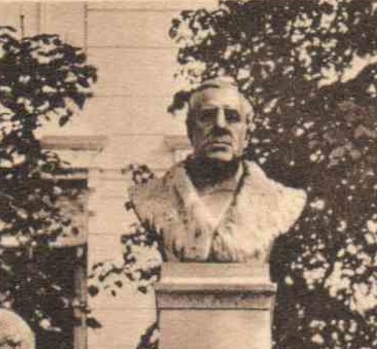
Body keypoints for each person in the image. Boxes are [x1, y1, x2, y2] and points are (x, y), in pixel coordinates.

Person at [129, 78, 306, 264]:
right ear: (190, 130)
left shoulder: (280, 201)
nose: (220, 125)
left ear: (247, 134)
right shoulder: (151, 197)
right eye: (207, 116)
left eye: (232, 117)